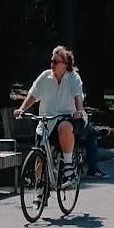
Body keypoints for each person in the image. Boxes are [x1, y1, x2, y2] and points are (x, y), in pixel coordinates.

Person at [16, 45, 85, 184]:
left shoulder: (73, 77)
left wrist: (79, 111)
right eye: (51, 61)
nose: (52, 64)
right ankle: (39, 189)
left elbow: (78, 96)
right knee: (40, 152)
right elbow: (33, 95)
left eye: (56, 62)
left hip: (69, 118)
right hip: (48, 120)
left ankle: (68, 166)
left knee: (64, 127)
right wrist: (22, 109)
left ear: (65, 65)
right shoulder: (45, 76)